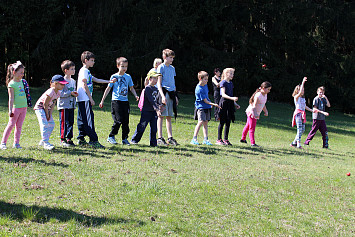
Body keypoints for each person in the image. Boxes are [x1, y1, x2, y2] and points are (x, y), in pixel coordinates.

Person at [76, 51, 114, 148]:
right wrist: (90, 98)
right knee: (89, 120)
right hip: (84, 99)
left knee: (82, 119)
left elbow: (95, 79)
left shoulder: (86, 71)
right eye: (92, 60)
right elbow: (84, 85)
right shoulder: (84, 71)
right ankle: (93, 140)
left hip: (82, 100)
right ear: (86, 60)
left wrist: (109, 81)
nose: (93, 62)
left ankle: (81, 139)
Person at [99, 57, 139, 145]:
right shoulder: (114, 76)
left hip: (125, 102)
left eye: (126, 66)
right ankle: (111, 136)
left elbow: (131, 88)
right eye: (122, 66)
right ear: (118, 66)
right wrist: (102, 101)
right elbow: (108, 88)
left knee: (125, 121)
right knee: (118, 120)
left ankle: (124, 138)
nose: (124, 68)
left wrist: (136, 95)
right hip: (116, 101)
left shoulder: (128, 77)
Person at [34, 75, 68, 150]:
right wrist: (46, 114)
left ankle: (43, 140)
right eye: (61, 84)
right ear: (55, 84)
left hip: (47, 109)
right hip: (40, 108)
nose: (63, 85)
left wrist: (50, 114)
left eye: (64, 84)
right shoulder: (51, 91)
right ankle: (46, 143)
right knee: (44, 124)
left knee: (51, 124)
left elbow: (53, 104)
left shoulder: (58, 93)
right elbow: (45, 104)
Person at [1, 61, 30, 150]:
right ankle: (3, 143)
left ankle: (16, 143)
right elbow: (11, 98)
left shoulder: (23, 82)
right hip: (15, 108)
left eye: (23, 73)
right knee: (11, 125)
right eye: (21, 72)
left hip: (23, 108)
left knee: (19, 126)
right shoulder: (11, 84)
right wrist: (10, 110)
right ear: (14, 72)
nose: (22, 74)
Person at [131, 71, 163, 146]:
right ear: (149, 78)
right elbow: (151, 100)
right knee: (142, 126)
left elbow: (156, 100)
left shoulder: (156, 89)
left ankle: (153, 143)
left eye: (157, 79)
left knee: (154, 129)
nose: (156, 80)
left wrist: (160, 106)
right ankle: (134, 140)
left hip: (153, 112)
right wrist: (157, 109)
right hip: (146, 111)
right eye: (154, 78)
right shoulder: (147, 89)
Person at [190, 71, 221, 145]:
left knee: (205, 123)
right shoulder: (199, 89)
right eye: (205, 79)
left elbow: (207, 97)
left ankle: (206, 139)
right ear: (200, 78)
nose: (207, 81)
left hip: (207, 107)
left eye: (207, 79)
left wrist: (210, 104)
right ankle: (194, 139)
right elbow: (205, 100)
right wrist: (213, 104)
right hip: (201, 108)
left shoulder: (205, 85)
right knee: (200, 122)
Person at [156, 49, 179, 146]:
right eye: (170, 58)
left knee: (169, 116)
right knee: (161, 116)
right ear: (165, 57)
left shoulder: (172, 68)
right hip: (163, 93)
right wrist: (162, 96)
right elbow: (159, 83)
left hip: (171, 93)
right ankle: (160, 137)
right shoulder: (161, 67)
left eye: (173, 58)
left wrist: (176, 96)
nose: (172, 60)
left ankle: (170, 137)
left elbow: (173, 83)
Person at [240, 81, 272, 147]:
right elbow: (254, 106)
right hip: (251, 112)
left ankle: (243, 139)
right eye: (268, 89)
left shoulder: (265, 95)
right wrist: (255, 114)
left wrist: (266, 111)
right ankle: (253, 143)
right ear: (263, 88)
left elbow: (263, 104)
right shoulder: (258, 95)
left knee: (248, 126)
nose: (269, 91)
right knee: (252, 128)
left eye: (269, 89)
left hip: (255, 113)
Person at [215, 68, 240, 145]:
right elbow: (223, 94)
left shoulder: (231, 83)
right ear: (226, 74)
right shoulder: (223, 82)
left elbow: (230, 95)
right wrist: (232, 98)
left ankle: (226, 139)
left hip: (230, 104)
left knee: (228, 122)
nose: (232, 75)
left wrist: (235, 104)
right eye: (231, 73)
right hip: (224, 104)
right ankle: (219, 139)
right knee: (222, 122)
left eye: (233, 74)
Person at [57, 60, 78, 147]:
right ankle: (63, 139)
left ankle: (69, 138)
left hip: (71, 105)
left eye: (74, 69)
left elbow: (74, 91)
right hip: (63, 105)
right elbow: (60, 93)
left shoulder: (73, 81)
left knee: (70, 122)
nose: (74, 70)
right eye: (72, 69)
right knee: (64, 122)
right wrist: (70, 93)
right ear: (66, 70)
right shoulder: (62, 81)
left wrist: (75, 94)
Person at [290, 77, 314, 149]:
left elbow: (305, 106)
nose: (302, 91)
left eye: (303, 90)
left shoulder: (303, 98)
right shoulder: (296, 97)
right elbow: (300, 93)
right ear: (297, 91)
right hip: (298, 114)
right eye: (301, 90)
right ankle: (298, 144)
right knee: (299, 129)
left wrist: (312, 110)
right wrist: (303, 82)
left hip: (303, 114)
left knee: (303, 129)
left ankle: (294, 142)